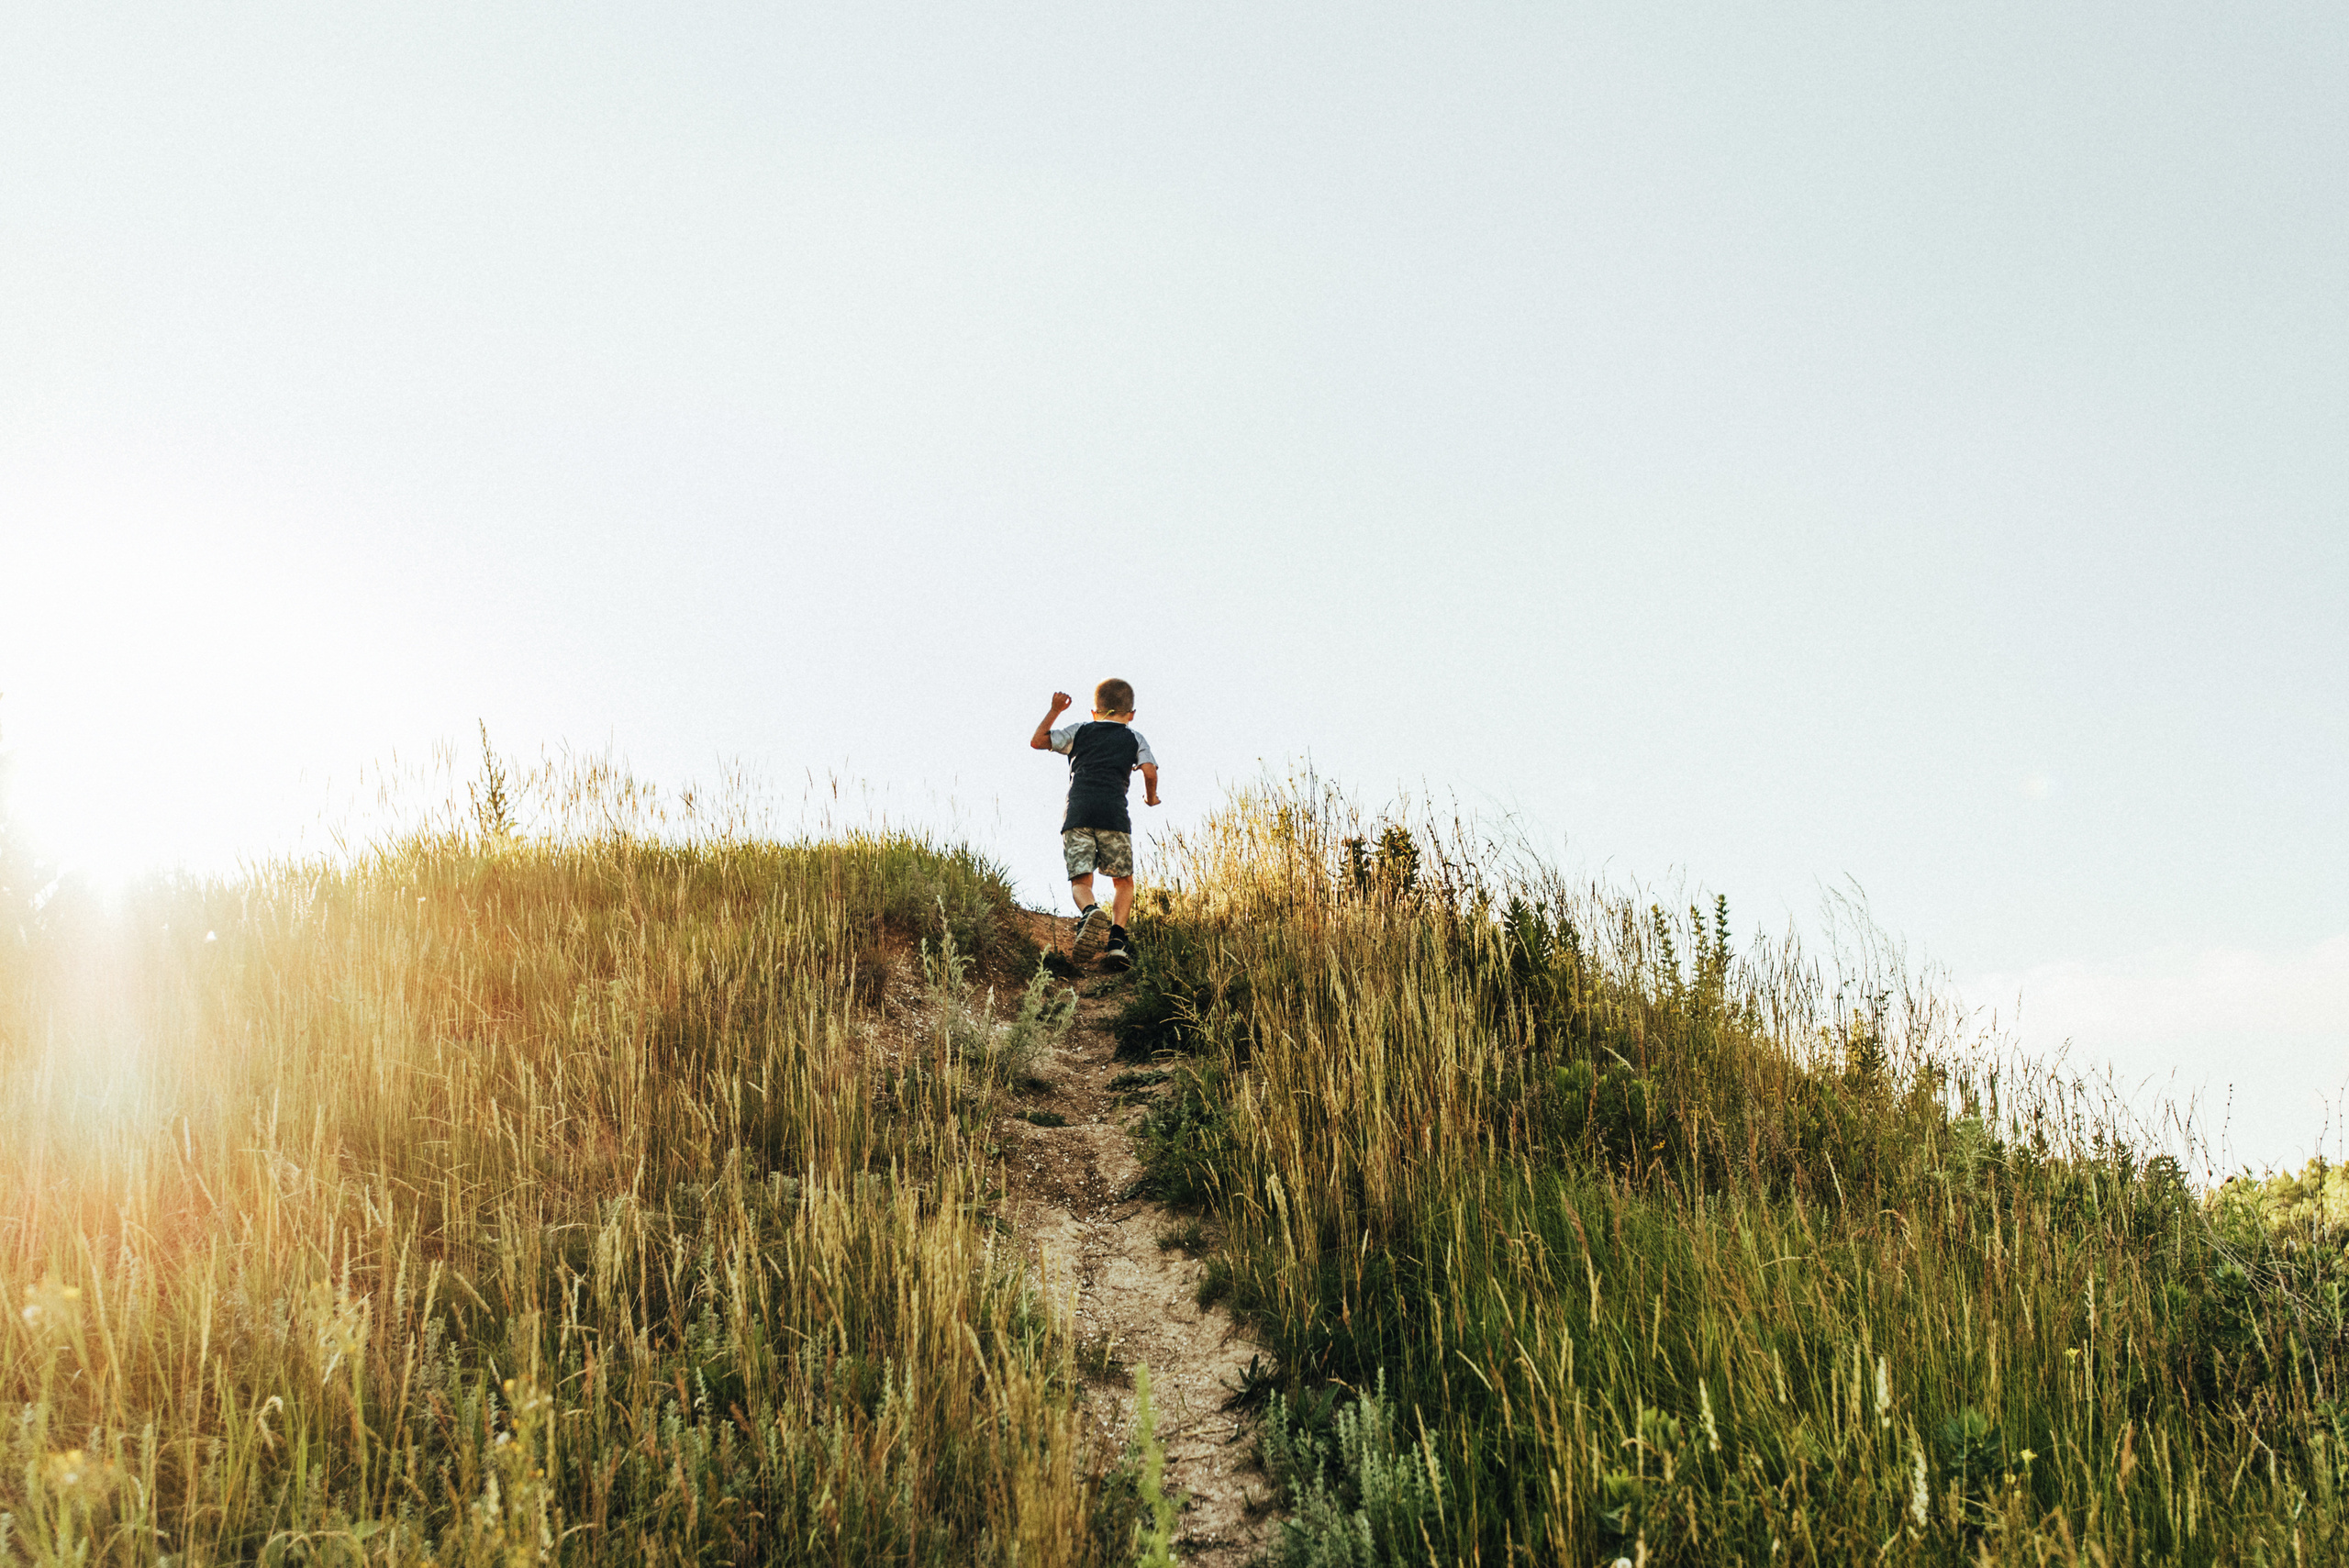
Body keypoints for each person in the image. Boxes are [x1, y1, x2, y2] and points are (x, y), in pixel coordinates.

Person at [1029, 678, 1160, 966]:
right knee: (1123, 882)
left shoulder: (1080, 731)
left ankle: (1089, 912)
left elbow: (1038, 741)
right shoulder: (1134, 738)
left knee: (1081, 880)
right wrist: (1151, 797)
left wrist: (1055, 710)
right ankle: (1116, 942)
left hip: (1078, 814)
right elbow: (1149, 772)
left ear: (1094, 711)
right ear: (1131, 714)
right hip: (1113, 815)